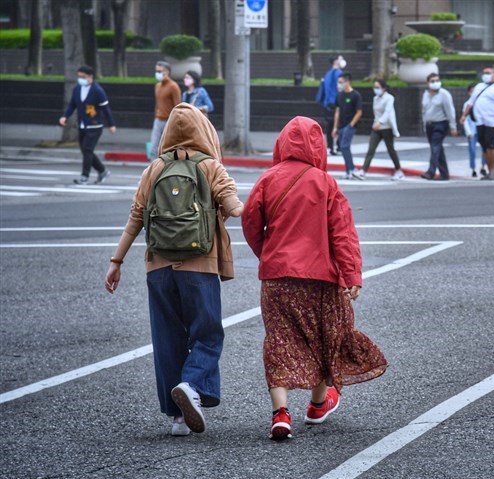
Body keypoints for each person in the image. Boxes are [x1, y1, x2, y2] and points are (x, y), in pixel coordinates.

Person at [241, 116, 388, 441]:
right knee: (325, 338)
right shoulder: (325, 182)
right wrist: (351, 274)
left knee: (279, 340)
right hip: (321, 279)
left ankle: (280, 414)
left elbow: (250, 222)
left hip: (277, 278)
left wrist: (268, 253)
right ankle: (317, 404)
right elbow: (343, 234)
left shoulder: (268, 179)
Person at [104, 103, 244, 437]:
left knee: (167, 338)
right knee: (207, 333)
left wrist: (116, 262)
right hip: (199, 264)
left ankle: (177, 418)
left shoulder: (154, 169)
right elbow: (233, 204)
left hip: (159, 267)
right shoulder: (209, 166)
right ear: (204, 131)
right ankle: (192, 385)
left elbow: (136, 217)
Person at [58, 65, 115, 185]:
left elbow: (106, 109)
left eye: (83, 77)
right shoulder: (77, 89)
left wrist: (111, 125)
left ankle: (85, 176)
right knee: (86, 151)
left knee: (88, 149)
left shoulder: (97, 91)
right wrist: (65, 116)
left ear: (90, 77)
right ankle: (102, 171)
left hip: (95, 126)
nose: (80, 79)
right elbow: (72, 105)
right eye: (79, 76)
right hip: (82, 125)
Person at [460, 67, 494, 181]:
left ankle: (493, 170)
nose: (486, 75)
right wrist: (464, 115)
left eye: (488, 73)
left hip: (492, 122)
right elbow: (471, 102)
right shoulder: (479, 87)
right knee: (484, 146)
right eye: (484, 73)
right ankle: (488, 170)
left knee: (491, 146)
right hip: (480, 122)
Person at [356, 79, 403, 180]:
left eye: (378, 87)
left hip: (387, 127)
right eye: (375, 87)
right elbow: (376, 114)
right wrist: (376, 123)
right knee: (371, 149)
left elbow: (388, 112)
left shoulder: (389, 98)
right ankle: (363, 171)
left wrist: (380, 122)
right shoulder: (375, 98)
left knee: (391, 150)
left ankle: (399, 170)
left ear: (384, 88)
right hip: (376, 128)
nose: (375, 89)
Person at [421, 73, 458, 181]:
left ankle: (431, 172)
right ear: (428, 83)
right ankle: (444, 174)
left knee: (435, 147)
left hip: (440, 124)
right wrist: (424, 125)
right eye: (432, 81)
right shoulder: (425, 94)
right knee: (438, 150)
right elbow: (424, 112)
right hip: (429, 125)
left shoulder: (444, 94)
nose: (435, 83)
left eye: (437, 80)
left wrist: (453, 126)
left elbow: (450, 111)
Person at [332, 73, 363, 180]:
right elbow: (337, 112)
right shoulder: (339, 95)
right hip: (340, 126)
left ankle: (353, 169)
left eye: (341, 82)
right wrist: (335, 127)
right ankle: (348, 171)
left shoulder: (355, 95)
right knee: (343, 148)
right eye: (338, 82)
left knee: (344, 146)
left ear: (347, 81)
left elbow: (359, 112)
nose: (339, 84)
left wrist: (350, 125)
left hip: (349, 126)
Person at [149, 61, 181, 160]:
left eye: (159, 71)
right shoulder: (157, 86)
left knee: (169, 148)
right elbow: (158, 103)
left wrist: (176, 122)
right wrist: (156, 116)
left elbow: (178, 105)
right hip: (158, 120)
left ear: (166, 72)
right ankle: (154, 171)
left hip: (169, 121)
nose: (157, 73)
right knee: (154, 147)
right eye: (156, 71)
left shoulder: (173, 86)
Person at [321, 54, 346, 155]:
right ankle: (339, 147)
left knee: (329, 126)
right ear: (336, 61)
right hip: (337, 103)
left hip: (328, 104)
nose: (342, 61)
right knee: (340, 124)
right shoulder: (339, 73)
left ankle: (330, 147)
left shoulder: (328, 73)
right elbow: (342, 88)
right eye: (341, 59)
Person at [463, 83, 486, 178]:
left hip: (482, 129)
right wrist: (468, 132)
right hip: (472, 131)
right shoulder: (466, 105)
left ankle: (484, 166)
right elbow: (465, 119)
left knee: (485, 149)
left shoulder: (482, 103)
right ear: (469, 92)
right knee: (472, 150)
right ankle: (473, 168)